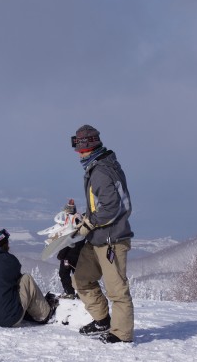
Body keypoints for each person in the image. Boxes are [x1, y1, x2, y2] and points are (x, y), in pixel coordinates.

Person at [71, 125, 134, 343]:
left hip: (111, 240)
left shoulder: (100, 171)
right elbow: (101, 205)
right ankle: (103, 320)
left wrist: (89, 223)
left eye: (80, 148)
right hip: (99, 237)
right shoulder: (100, 165)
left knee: (117, 290)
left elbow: (110, 207)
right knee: (82, 279)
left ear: (88, 147)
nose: (78, 153)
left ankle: (121, 334)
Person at [0, 223, 58, 327]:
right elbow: (16, 283)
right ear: (2, 243)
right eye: (7, 242)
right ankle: (44, 314)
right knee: (26, 279)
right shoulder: (9, 260)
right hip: (9, 318)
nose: (9, 245)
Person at [56, 199, 85, 299]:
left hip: (69, 252)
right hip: (79, 251)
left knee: (64, 273)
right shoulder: (80, 218)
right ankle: (82, 293)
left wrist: (61, 254)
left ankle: (70, 292)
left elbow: (68, 239)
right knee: (78, 273)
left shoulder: (70, 221)